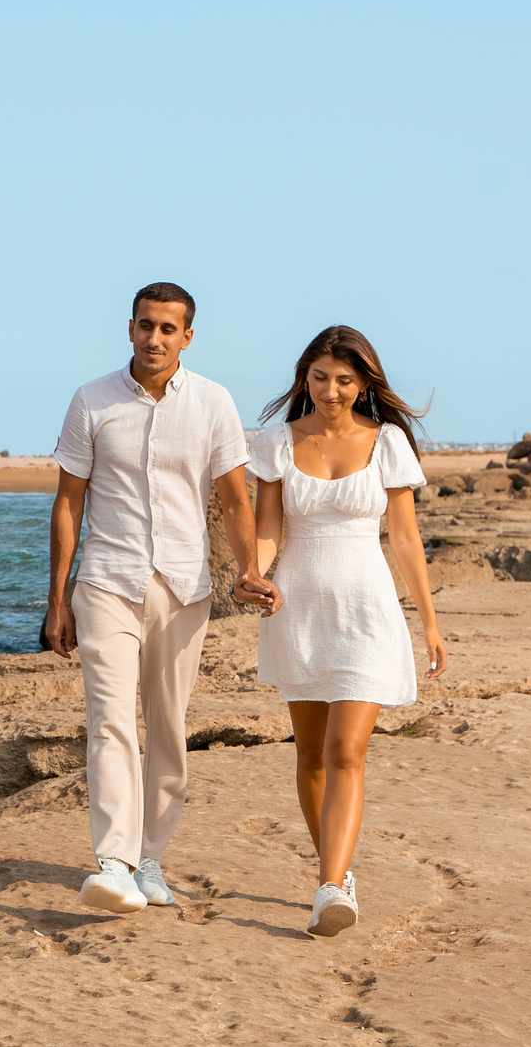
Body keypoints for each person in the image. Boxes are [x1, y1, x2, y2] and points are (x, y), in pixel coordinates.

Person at [45, 283, 278, 915]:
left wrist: (250, 570)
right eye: (145, 325)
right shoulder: (91, 400)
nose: (155, 338)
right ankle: (114, 863)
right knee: (111, 721)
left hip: (183, 587)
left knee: (168, 726)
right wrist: (57, 599)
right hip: (106, 581)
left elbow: (235, 499)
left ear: (187, 337)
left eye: (168, 329)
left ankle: (149, 858)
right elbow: (69, 502)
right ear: (129, 328)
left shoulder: (213, 402)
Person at [248, 325, 450, 936]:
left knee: (345, 751)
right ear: (304, 377)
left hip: (367, 612)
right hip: (298, 610)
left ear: (364, 383)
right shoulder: (276, 442)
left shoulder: (387, 442)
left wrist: (430, 624)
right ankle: (333, 877)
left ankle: (333, 887)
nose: (330, 391)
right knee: (310, 754)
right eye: (319, 378)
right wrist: (254, 574)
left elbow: (405, 538)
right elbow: (268, 528)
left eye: (343, 380)